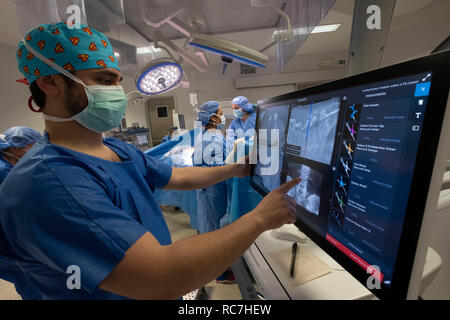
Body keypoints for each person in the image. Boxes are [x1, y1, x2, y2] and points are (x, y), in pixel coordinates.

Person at [0, 22, 299, 300]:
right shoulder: (48, 182)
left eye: (117, 81)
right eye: (103, 80)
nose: (115, 92)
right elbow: (160, 275)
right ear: (50, 82)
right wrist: (258, 219)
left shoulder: (118, 150)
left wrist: (235, 169)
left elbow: (177, 177)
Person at [194, 101, 234, 283]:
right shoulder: (211, 138)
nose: (223, 115)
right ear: (212, 117)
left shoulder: (211, 135)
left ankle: (216, 268)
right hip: (212, 191)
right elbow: (216, 167)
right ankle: (220, 274)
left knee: (210, 228)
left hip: (210, 190)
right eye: (220, 112)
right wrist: (235, 164)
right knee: (214, 231)